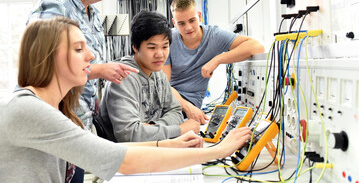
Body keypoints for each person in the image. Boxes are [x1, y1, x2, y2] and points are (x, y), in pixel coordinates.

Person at [0, 17, 252, 182]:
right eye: (79, 49)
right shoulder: (27, 110)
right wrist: (219, 151)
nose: (91, 55)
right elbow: (125, 158)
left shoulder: (58, 110)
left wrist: (170, 145)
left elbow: (116, 151)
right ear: (48, 57)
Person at [27, 0, 138, 131]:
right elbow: (43, 65)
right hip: (55, 120)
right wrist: (100, 70)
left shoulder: (92, 12)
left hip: (82, 119)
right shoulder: (56, 4)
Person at [96, 10, 200, 142]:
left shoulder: (158, 73)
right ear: (135, 47)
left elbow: (175, 111)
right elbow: (129, 135)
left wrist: (152, 128)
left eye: (165, 46)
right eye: (152, 48)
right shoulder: (123, 77)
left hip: (152, 149)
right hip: (124, 157)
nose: (160, 54)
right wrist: (180, 129)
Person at [163, 0, 265, 125]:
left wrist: (217, 59)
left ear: (199, 16)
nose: (188, 27)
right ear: (174, 22)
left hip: (191, 102)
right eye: (181, 23)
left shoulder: (214, 36)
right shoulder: (168, 40)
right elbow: (164, 86)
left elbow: (257, 47)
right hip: (170, 98)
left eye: (192, 20)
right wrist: (187, 108)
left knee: (166, 124)